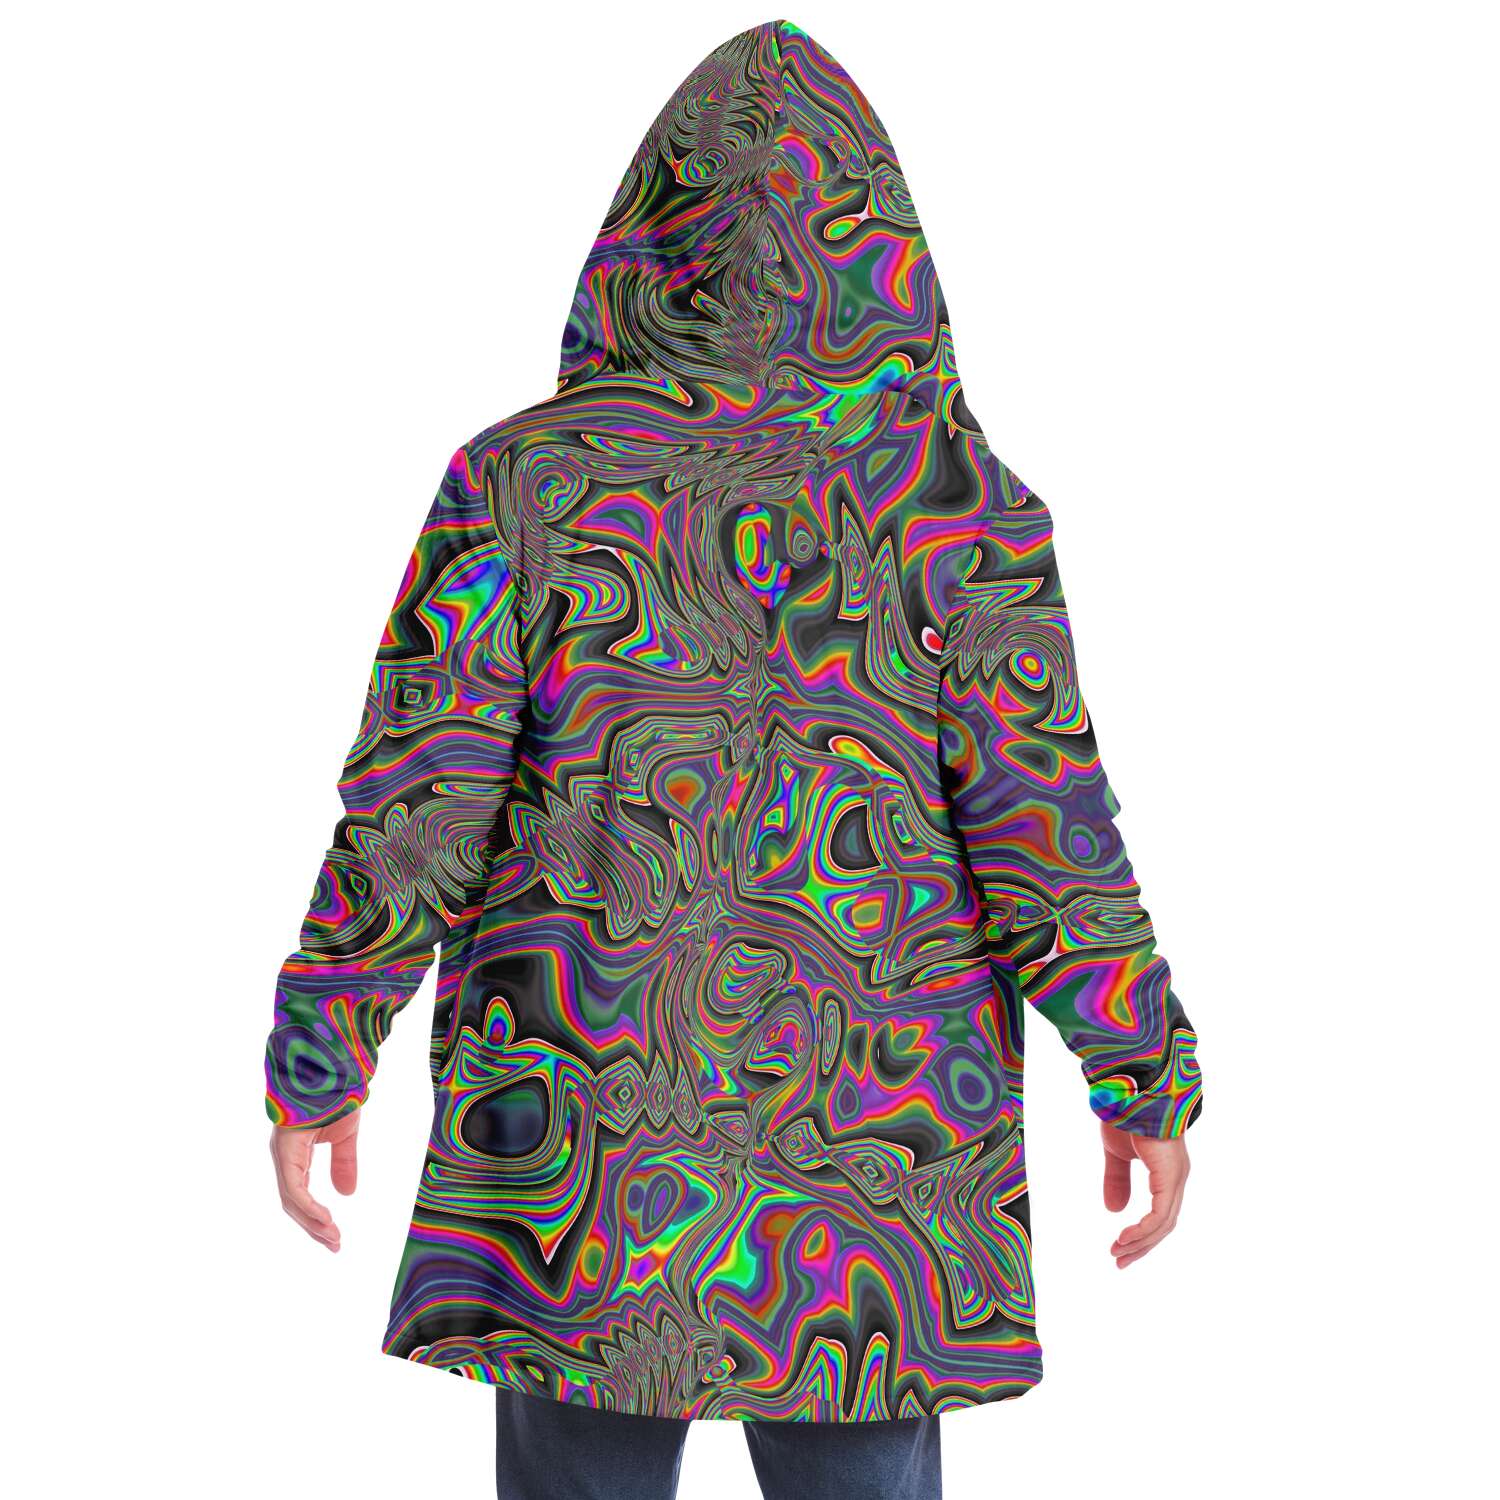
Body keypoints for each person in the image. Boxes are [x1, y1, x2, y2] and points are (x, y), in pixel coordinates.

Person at [266, 19, 1203, 1500]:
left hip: (580, 1140)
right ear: (886, 247)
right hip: (878, 1155)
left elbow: (419, 802)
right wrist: (1139, 1069)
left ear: (643, 240)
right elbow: (1047, 826)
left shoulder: (522, 484)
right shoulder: (957, 506)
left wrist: (325, 1044)